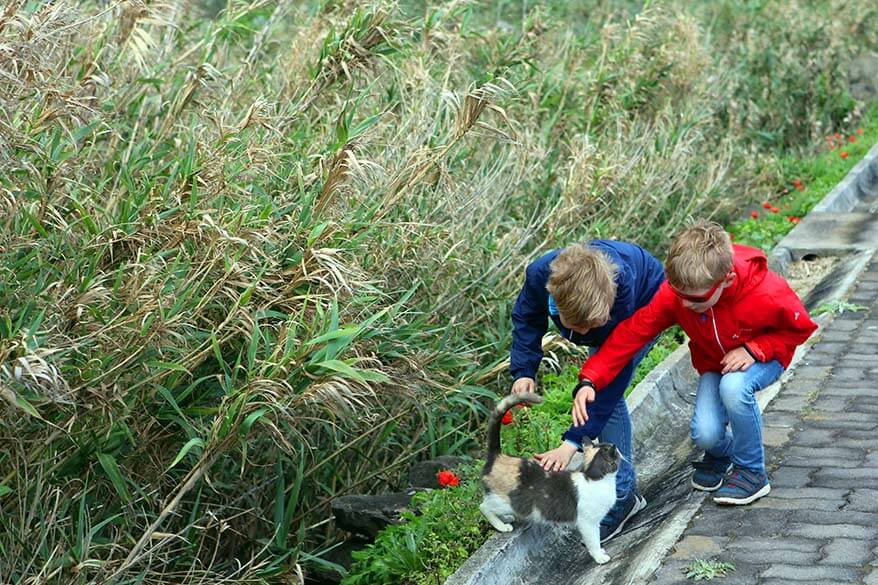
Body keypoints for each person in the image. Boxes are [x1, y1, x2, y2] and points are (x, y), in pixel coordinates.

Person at [573, 221, 817, 506]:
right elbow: (631, 334)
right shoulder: (680, 295)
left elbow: (801, 328)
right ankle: (723, 453)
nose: (686, 304)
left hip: (764, 358)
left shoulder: (765, 291)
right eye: (680, 295)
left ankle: (751, 471)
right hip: (717, 364)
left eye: (696, 298)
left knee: (734, 389)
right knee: (705, 435)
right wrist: (591, 378)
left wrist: (755, 349)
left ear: (726, 278)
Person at [510, 240, 665, 542]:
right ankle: (620, 490)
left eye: (592, 325)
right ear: (557, 301)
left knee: (606, 391)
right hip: (601, 309)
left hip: (647, 305)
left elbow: (611, 373)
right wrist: (524, 370)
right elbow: (527, 318)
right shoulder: (540, 276)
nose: (583, 333)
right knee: (596, 390)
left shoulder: (623, 297)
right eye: (577, 326)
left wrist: (571, 442)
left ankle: (623, 497)